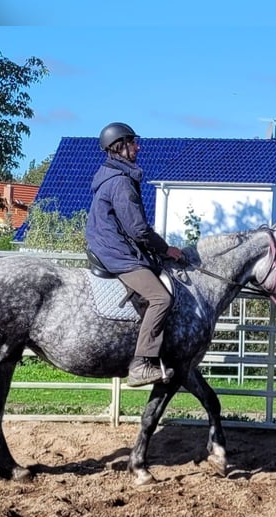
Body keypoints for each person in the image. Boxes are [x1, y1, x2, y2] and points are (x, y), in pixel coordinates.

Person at [85, 122, 184, 387]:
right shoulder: (120, 183)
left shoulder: (109, 176)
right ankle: (140, 364)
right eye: (132, 143)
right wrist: (166, 249)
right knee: (161, 298)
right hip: (116, 251)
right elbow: (139, 229)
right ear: (119, 147)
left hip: (108, 246)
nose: (137, 147)